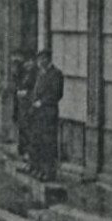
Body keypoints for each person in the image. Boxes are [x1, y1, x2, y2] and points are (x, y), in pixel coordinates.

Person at [27, 48, 65, 182]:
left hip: (49, 114)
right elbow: (36, 91)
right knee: (38, 142)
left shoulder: (56, 74)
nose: (40, 62)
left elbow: (56, 95)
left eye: (42, 59)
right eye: (39, 59)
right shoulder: (41, 74)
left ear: (47, 59)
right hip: (38, 114)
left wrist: (42, 102)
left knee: (49, 144)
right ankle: (39, 169)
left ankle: (49, 172)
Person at [9, 49, 35, 155]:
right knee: (22, 128)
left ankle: (28, 152)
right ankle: (23, 150)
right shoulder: (19, 76)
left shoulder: (30, 74)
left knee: (28, 129)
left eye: (17, 62)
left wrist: (26, 93)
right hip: (20, 106)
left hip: (27, 106)